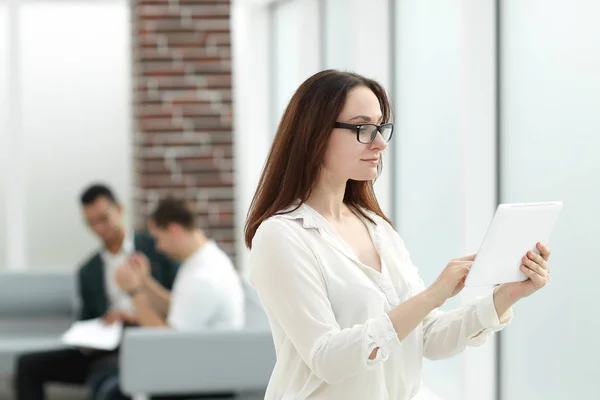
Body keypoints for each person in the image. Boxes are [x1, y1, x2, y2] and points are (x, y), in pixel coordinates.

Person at [245, 69, 552, 400]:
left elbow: (428, 337)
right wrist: (433, 295)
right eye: (363, 128)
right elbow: (327, 359)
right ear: (314, 134)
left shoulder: (376, 228)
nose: (380, 142)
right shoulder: (281, 236)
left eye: (381, 127)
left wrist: (507, 294)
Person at [14, 184, 179, 400]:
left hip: (146, 342)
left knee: (108, 382)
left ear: (119, 210)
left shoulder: (156, 247)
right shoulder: (88, 271)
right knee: (27, 365)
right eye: (91, 223)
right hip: (105, 348)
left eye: (103, 218)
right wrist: (95, 331)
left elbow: (178, 306)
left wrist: (131, 318)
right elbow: (87, 318)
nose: (100, 228)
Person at [93, 197, 245, 400]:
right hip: (198, 364)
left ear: (174, 230)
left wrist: (134, 292)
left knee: (110, 388)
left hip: (201, 377)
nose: (158, 247)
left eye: (158, 238)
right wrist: (145, 281)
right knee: (104, 372)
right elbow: (178, 305)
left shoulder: (203, 277)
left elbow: (168, 344)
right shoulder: (202, 260)